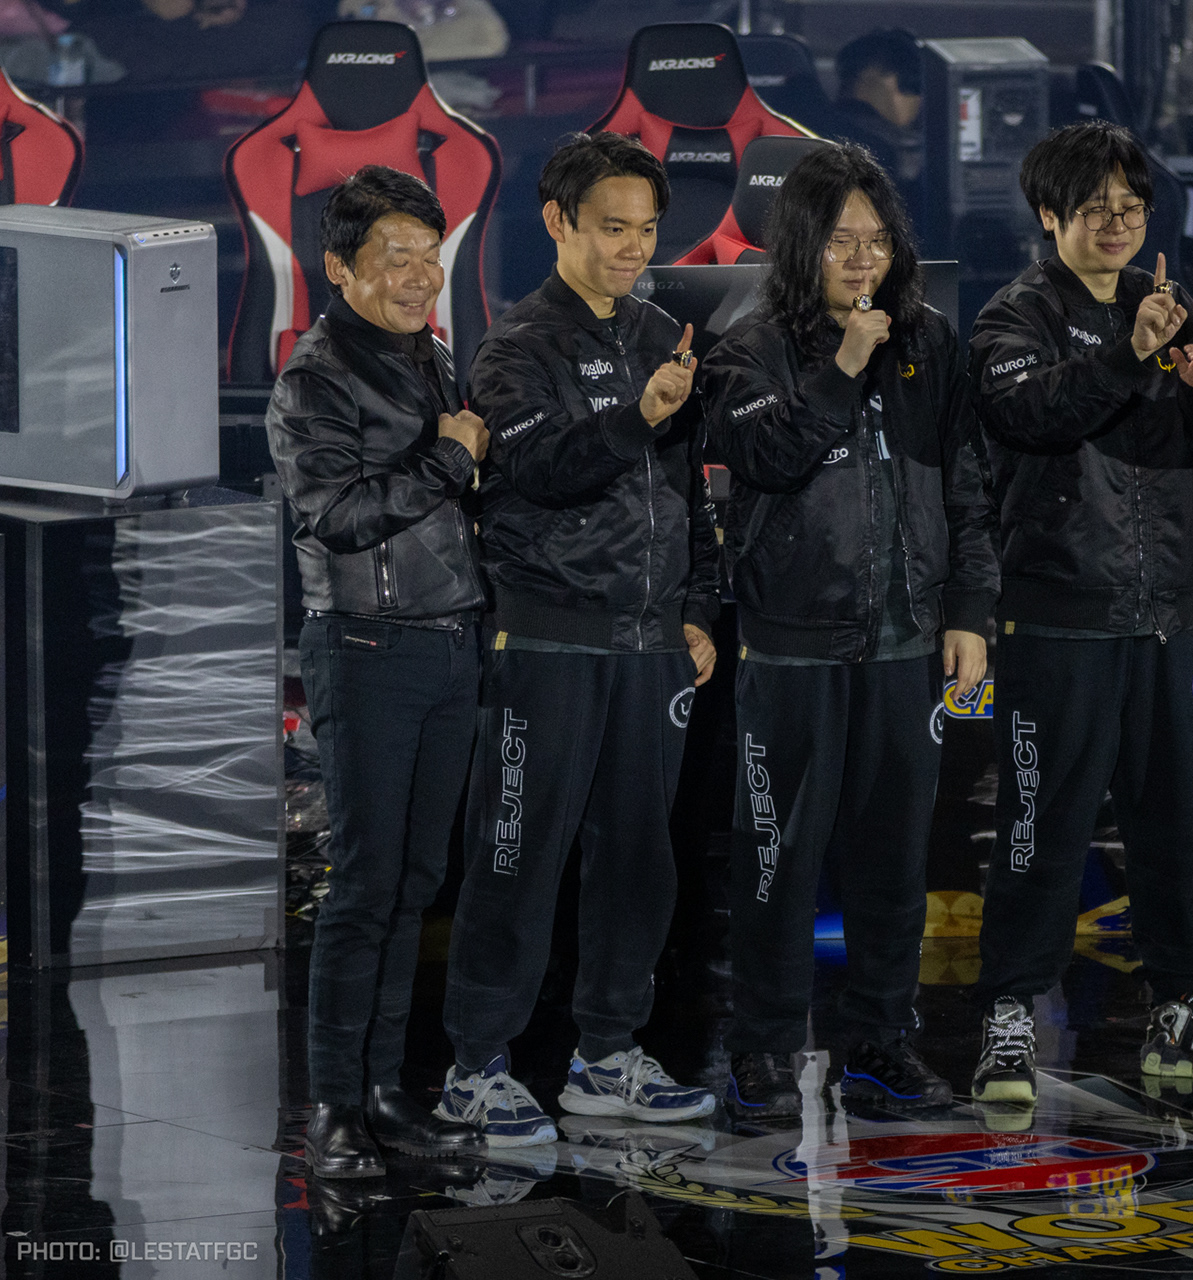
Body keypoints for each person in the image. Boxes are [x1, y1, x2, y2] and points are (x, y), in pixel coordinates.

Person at [967, 120, 1193, 1107]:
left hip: (1164, 613)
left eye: (1132, 207)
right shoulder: (1013, 317)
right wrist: (1127, 356)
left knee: (1171, 826)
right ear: (1049, 214)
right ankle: (1008, 1015)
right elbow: (1031, 414)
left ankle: (1184, 1008)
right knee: (1040, 830)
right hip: (1058, 613)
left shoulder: (1168, 303)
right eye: (1096, 207)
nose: (1117, 223)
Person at [702, 142, 998, 1119]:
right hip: (792, 642)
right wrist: (844, 367)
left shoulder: (931, 343)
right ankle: (764, 1045)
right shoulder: (747, 347)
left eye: (877, 240)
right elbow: (767, 454)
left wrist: (968, 610)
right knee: (776, 856)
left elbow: (967, 486)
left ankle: (879, 1041)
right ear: (800, 246)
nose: (863, 259)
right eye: (841, 241)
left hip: (906, 641)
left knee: (893, 860)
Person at [435, 132, 718, 1146]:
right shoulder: (514, 346)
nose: (633, 247)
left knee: (640, 861)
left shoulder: (664, 332)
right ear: (558, 221)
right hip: (547, 638)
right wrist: (637, 416)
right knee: (517, 853)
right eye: (612, 228)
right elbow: (542, 469)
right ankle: (475, 1065)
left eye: (646, 229)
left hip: (652, 644)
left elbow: (691, 493)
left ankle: (608, 1055)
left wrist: (698, 606)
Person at [267, 164, 489, 1178]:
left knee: (415, 882)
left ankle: (388, 1089)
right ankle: (332, 1106)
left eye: (430, 257)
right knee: (364, 884)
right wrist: (448, 457)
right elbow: (337, 516)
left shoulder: (430, 354)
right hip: (364, 646)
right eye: (396, 258)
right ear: (340, 268)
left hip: (449, 641)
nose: (419, 276)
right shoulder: (314, 378)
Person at [828, 28, 923, 196]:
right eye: (911, 84)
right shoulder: (893, 152)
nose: (918, 98)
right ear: (870, 75)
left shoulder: (811, 132)